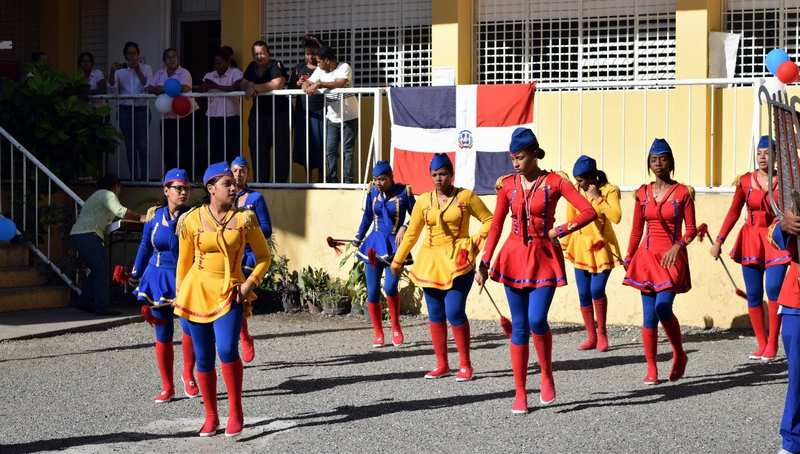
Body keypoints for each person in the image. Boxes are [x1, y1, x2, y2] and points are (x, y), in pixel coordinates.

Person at [477, 129, 597, 414]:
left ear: (533, 154)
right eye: (513, 158)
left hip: (544, 255)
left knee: (537, 319)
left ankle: (546, 373)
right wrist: (484, 260)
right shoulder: (506, 185)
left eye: (520, 157)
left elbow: (588, 211)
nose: (515, 163)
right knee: (519, 326)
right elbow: (495, 225)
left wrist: (561, 230)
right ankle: (520, 392)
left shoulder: (555, 181)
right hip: (513, 256)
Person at [173, 162, 271, 437]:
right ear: (211, 189)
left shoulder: (244, 219)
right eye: (227, 183)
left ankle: (236, 411)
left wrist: (248, 284)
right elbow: (183, 262)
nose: (233, 186)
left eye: (234, 183)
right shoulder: (191, 219)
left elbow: (265, 257)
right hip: (196, 293)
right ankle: (211, 416)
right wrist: (180, 298)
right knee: (203, 358)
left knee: (227, 350)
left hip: (230, 291)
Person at [391, 153, 493, 382]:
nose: (439, 179)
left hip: (459, 261)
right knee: (435, 314)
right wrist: (397, 261)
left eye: (443, 174)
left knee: (455, 311)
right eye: (435, 175)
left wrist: (473, 243)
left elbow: (490, 220)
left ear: (451, 174)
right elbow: (412, 234)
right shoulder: (424, 201)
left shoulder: (466, 197)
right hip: (430, 263)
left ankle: (466, 365)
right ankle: (442, 364)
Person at [623, 138, 697, 385]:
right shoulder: (642, 193)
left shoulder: (683, 193)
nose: (658, 164)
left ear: (671, 162)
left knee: (662, 306)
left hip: (670, 259)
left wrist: (679, 246)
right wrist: (629, 254)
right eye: (654, 160)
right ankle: (652, 367)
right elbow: (635, 230)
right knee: (648, 317)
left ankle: (679, 354)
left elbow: (691, 230)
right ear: (649, 163)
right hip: (646, 259)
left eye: (663, 159)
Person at [710, 136, 790, 361]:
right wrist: (719, 240)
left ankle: (773, 343)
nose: (763, 157)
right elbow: (734, 212)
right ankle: (761, 343)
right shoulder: (745, 181)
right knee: (754, 294)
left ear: (776, 155)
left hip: (776, 239)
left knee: (773, 289)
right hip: (751, 239)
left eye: (767, 152)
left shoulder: (785, 181)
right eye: (759, 153)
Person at [130, 169, 198, 403]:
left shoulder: (194, 216)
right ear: (166, 190)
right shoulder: (154, 217)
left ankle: (188, 375)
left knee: (190, 328)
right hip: (157, 278)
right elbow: (144, 246)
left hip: (186, 278)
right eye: (178, 188)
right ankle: (167, 386)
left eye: (186, 188)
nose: (183, 192)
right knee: (163, 332)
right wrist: (135, 273)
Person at [561, 155, 622, 352]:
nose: (578, 184)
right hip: (580, 247)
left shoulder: (609, 190)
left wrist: (598, 198)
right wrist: (565, 242)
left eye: (581, 180)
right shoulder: (576, 192)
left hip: (601, 248)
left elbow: (616, 216)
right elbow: (571, 218)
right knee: (583, 293)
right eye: (576, 180)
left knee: (597, 290)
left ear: (592, 177)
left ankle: (602, 333)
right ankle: (591, 336)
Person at [353, 160, 415, 348]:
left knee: (390, 287)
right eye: (376, 179)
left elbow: (418, 217)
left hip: (394, 245)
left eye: (382, 179)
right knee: (372, 291)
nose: (379, 183)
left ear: (391, 177)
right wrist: (358, 237)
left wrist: (405, 226)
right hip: (373, 244)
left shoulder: (404, 192)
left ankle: (396, 327)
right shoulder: (372, 192)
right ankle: (378, 332)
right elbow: (368, 217)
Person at [69, 174, 144, 315]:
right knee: (102, 270)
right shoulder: (108, 194)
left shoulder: (95, 196)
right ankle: (102, 307)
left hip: (79, 235)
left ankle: (84, 302)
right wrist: (140, 217)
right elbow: (120, 211)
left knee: (96, 270)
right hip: (89, 235)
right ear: (116, 186)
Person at [230, 156, 273, 363]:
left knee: (238, 294)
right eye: (235, 170)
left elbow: (267, 229)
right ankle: (241, 334)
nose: (238, 174)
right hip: (228, 253)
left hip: (247, 254)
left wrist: (247, 227)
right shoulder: (223, 197)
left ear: (248, 174)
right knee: (231, 298)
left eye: (242, 171)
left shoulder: (255, 199)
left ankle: (243, 336)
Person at [768, 209, 800, 454]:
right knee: (798, 376)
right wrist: (785, 226)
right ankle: (792, 442)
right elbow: (777, 237)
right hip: (796, 299)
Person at [302, 46, 358, 183]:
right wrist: (306, 87)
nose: (317, 64)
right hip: (331, 117)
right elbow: (308, 82)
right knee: (330, 150)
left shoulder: (344, 67)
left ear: (327, 60)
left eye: (319, 61)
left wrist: (320, 84)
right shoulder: (320, 69)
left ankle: (348, 180)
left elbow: (340, 82)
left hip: (349, 116)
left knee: (347, 151)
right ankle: (332, 179)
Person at [241, 41, 290, 183]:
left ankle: (281, 183)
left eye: (262, 53)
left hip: (279, 113)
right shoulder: (251, 67)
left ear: (268, 53)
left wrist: (254, 87)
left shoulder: (275, 65)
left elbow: (278, 83)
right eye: (256, 54)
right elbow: (242, 83)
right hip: (259, 114)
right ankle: (261, 182)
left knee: (281, 150)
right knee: (258, 148)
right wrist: (249, 86)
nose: (259, 56)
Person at [147, 48, 197, 173]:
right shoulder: (159, 73)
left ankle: (187, 176)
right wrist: (168, 88)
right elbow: (150, 88)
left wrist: (163, 88)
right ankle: (171, 177)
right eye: (169, 57)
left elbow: (184, 87)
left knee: (185, 147)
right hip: (167, 117)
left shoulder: (184, 72)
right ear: (164, 60)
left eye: (174, 56)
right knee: (168, 148)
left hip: (185, 115)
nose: (172, 59)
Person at [108, 42, 153, 181]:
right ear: (125, 55)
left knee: (142, 144)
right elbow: (112, 89)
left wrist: (138, 70)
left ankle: (145, 178)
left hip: (141, 109)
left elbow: (148, 86)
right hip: (125, 110)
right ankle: (134, 177)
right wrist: (112, 71)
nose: (132, 56)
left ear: (138, 54)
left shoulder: (146, 68)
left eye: (134, 53)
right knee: (130, 145)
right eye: (129, 53)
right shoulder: (120, 71)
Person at [288, 36, 324, 180]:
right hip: (303, 114)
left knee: (321, 146)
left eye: (313, 53)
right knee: (305, 146)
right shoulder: (299, 68)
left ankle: (322, 178)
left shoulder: (323, 68)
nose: (310, 56)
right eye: (307, 53)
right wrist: (297, 83)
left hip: (321, 112)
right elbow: (289, 87)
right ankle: (308, 178)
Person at [202, 49, 243, 166]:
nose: (217, 66)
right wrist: (206, 85)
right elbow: (203, 88)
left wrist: (215, 85)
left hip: (230, 116)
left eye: (219, 63)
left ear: (227, 62)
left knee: (230, 147)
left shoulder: (235, 73)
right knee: (214, 147)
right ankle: (216, 177)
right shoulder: (210, 75)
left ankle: (231, 177)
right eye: (215, 63)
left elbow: (235, 87)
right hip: (213, 116)